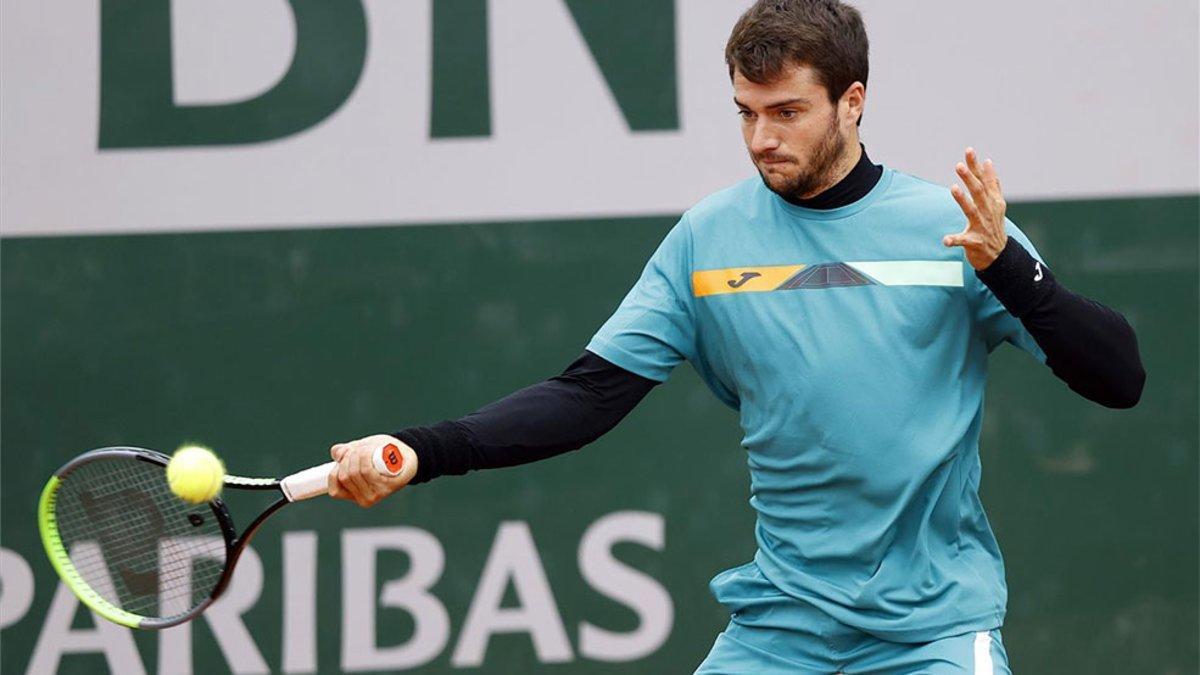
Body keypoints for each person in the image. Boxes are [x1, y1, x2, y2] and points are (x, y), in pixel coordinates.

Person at [326, 1, 1145, 672]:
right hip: (778, 630)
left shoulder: (952, 230)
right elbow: (585, 397)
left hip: (929, 632)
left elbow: (1120, 376)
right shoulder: (707, 240)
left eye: (787, 112)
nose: (762, 139)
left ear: (851, 102)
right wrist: (419, 449)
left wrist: (1009, 269)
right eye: (747, 114)